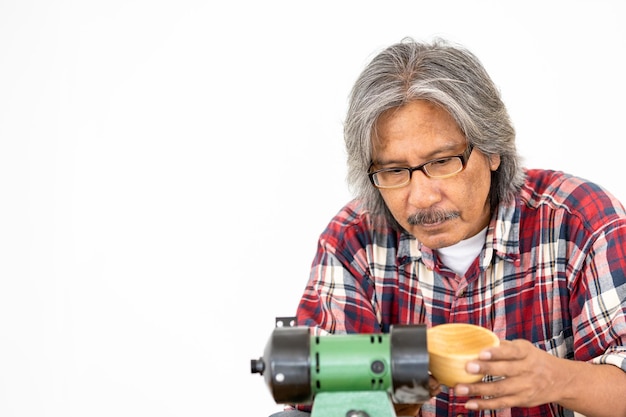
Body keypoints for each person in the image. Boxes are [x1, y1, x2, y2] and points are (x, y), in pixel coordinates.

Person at [270, 38, 626, 417]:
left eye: (442, 162)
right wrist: (399, 392)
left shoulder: (578, 219)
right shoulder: (354, 239)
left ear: (492, 150)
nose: (421, 197)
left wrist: (557, 379)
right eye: (394, 171)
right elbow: (314, 395)